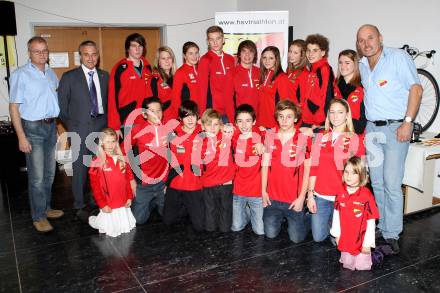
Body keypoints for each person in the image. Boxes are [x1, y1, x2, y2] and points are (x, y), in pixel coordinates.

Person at [356, 24, 422, 254]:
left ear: (380, 38)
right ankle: (383, 227)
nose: (366, 43)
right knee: (377, 184)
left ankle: (392, 233)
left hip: (396, 128)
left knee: (392, 184)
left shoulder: (398, 57)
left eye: (370, 38)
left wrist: (408, 121)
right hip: (373, 131)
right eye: (361, 40)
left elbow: (416, 89)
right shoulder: (362, 65)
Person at [9, 36, 63, 233]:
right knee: (37, 177)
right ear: (29, 53)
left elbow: (52, 103)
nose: (42, 54)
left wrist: (56, 128)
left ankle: (46, 208)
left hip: (50, 127)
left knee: (50, 174)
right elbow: (14, 107)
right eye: (37, 51)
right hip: (32, 129)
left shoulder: (51, 74)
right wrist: (21, 136)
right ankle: (38, 216)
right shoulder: (20, 74)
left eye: (44, 51)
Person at [58, 40, 109, 221]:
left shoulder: (105, 76)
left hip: (100, 127)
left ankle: (97, 198)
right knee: (79, 168)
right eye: (86, 54)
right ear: (80, 56)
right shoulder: (69, 77)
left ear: (98, 55)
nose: (90, 58)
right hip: (79, 128)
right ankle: (79, 204)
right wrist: (73, 126)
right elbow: (62, 108)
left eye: (94, 54)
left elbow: (109, 104)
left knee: (99, 165)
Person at [307, 99, 365, 243]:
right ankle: (326, 220)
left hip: (343, 198)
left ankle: (337, 222)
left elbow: (360, 172)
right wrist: (310, 195)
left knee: (339, 242)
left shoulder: (355, 139)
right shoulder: (321, 136)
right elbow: (313, 168)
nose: (335, 116)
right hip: (321, 196)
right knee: (318, 238)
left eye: (340, 112)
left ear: (347, 115)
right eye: (332, 112)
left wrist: (354, 200)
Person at [261, 100, 310, 243]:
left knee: (296, 239)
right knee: (270, 235)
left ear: (296, 118)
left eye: (289, 116)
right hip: (272, 199)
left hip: (293, 200)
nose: (284, 120)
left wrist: (302, 197)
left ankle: (308, 218)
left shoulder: (303, 138)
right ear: (276, 117)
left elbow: (307, 169)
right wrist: (263, 191)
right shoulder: (270, 136)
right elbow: (265, 164)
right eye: (281, 116)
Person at [123, 97, 171, 224]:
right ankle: (150, 200)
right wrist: (131, 181)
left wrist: (169, 181)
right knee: (138, 220)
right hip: (143, 184)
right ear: (144, 114)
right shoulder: (137, 129)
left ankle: (157, 200)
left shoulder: (169, 129)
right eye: (152, 111)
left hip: (163, 183)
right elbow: (123, 154)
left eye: (159, 110)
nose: (156, 114)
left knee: (167, 216)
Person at [330, 156, 379, 271]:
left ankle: (378, 252)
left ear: (361, 175)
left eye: (353, 173)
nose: (348, 176)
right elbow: (336, 215)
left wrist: (368, 243)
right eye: (346, 172)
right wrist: (337, 235)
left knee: (362, 267)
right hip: (346, 238)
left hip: (362, 239)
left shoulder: (366, 195)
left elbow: (371, 221)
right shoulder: (340, 192)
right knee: (347, 264)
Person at [163, 100, 205, 232]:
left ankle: (189, 207)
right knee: (167, 221)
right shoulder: (172, 134)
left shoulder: (204, 132)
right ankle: (184, 208)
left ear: (198, 116)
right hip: (176, 184)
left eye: (193, 115)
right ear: (180, 118)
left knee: (199, 226)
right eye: (186, 115)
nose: (190, 119)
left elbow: (227, 130)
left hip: (194, 185)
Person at [88, 128, 136, 237]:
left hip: (122, 201)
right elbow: (95, 186)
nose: (111, 145)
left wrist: (129, 196)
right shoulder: (97, 162)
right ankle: (92, 218)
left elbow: (126, 181)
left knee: (125, 228)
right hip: (109, 203)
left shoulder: (121, 159)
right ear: (101, 143)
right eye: (107, 141)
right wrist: (102, 204)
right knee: (107, 227)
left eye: (113, 141)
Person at [108, 33, 153, 137]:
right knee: (127, 153)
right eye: (133, 46)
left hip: (145, 122)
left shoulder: (148, 68)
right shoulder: (120, 68)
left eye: (140, 46)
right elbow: (112, 98)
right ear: (127, 49)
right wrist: (114, 125)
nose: (137, 49)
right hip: (126, 122)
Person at [199, 109, 236, 232]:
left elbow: (244, 130)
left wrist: (229, 126)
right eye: (209, 124)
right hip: (208, 184)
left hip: (225, 184)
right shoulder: (200, 141)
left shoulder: (226, 135)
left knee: (225, 226)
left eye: (216, 124)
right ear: (203, 126)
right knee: (210, 223)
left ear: (220, 125)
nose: (212, 128)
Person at [231, 104, 264, 236]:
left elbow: (275, 130)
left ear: (254, 122)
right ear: (236, 123)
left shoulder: (260, 137)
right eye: (240, 121)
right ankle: (245, 213)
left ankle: (253, 212)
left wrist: (260, 134)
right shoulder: (234, 137)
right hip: (239, 190)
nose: (244, 125)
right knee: (236, 227)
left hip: (256, 191)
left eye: (248, 121)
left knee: (260, 231)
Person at [198, 25, 235, 122]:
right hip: (214, 114)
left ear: (223, 39)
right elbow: (202, 91)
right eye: (211, 39)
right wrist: (202, 116)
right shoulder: (205, 60)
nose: (215, 42)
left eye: (218, 38)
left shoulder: (231, 59)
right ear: (208, 42)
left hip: (231, 111)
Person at [301, 34, 335, 132]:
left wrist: (323, 122)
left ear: (323, 52)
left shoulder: (324, 69)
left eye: (315, 50)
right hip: (308, 119)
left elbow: (327, 96)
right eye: (308, 50)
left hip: (318, 122)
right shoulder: (313, 69)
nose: (310, 54)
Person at [257, 46, 295, 129]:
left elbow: (285, 106)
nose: (267, 61)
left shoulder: (282, 78)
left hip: (273, 126)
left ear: (276, 60)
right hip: (260, 124)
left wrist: (279, 126)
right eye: (264, 58)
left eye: (271, 58)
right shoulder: (263, 75)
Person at [334, 49, 366, 134]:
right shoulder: (334, 86)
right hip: (336, 133)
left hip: (355, 134)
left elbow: (363, 121)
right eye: (340, 62)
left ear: (355, 65)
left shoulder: (362, 87)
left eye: (347, 63)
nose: (343, 66)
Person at [169, 42, 202, 119]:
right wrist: (181, 116)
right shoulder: (180, 72)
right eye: (190, 53)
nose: (194, 56)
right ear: (184, 56)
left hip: (201, 114)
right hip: (189, 115)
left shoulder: (201, 70)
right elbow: (175, 98)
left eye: (196, 53)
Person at [232, 40, 260, 112]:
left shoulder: (261, 72)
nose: (247, 54)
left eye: (250, 51)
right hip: (241, 118)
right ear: (239, 54)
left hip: (260, 118)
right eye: (244, 51)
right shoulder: (232, 73)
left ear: (255, 55)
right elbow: (228, 100)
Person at [151, 46, 176, 122]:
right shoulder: (154, 79)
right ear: (158, 62)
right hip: (163, 122)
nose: (167, 61)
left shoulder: (178, 78)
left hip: (178, 122)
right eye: (163, 58)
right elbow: (152, 105)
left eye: (169, 58)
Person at [286, 39, 309, 109]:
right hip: (286, 111)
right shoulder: (288, 71)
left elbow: (303, 101)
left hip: (295, 113)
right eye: (290, 51)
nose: (291, 55)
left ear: (302, 55)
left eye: (295, 53)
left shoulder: (304, 73)